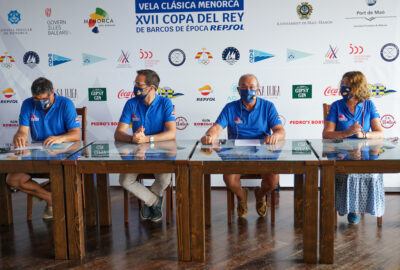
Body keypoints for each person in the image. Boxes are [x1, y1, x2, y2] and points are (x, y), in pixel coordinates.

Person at [201, 74, 285, 218]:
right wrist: (210, 136)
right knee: (229, 178)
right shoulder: (230, 107)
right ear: (238, 90)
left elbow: (280, 130)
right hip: (236, 152)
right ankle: (242, 197)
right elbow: (216, 128)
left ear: (258, 90)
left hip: (262, 150)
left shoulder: (268, 106)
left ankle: (260, 195)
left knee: (273, 180)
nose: (248, 90)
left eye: (252, 87)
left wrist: (276, 135)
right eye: (244, 87)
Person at [7, 77, 81, 219]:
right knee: (12, 179)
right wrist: (19, 136)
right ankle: (50, 199)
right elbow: (23, 131)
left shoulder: (66, 104)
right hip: (38, 155)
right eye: (36, 99)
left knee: (65, 177)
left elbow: (76, 134)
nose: (40, 102)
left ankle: (57, 204)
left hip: (64, 155)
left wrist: (60, 138)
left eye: (43, 99)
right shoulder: (27, 104)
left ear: (52, 93)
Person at [322, 71, 384, 224]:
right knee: (346, 173)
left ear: (358, 87)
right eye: (342, 84)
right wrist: (347, 132)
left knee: (371, 173)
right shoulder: (337, 105)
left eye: (348, 85)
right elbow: (327, 134)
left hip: (364, 153)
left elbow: (379, 133)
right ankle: (345, 206)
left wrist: (363, 135)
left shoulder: (368, 104)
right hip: (341, 153)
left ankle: (354, 208)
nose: (344, 88)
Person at [115, 69, 176, 222]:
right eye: (135, 83)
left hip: (161, 153)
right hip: (137, 154)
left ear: (151, 88)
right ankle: (154, 202)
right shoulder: (131, 103)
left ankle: (150, 205)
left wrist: (147, 139)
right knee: (124, 180)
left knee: (165, 180)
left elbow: (171, 133)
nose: (135, 87)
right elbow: (118, 133)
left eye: (139, 84)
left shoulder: (165, 103)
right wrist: (132, 139)